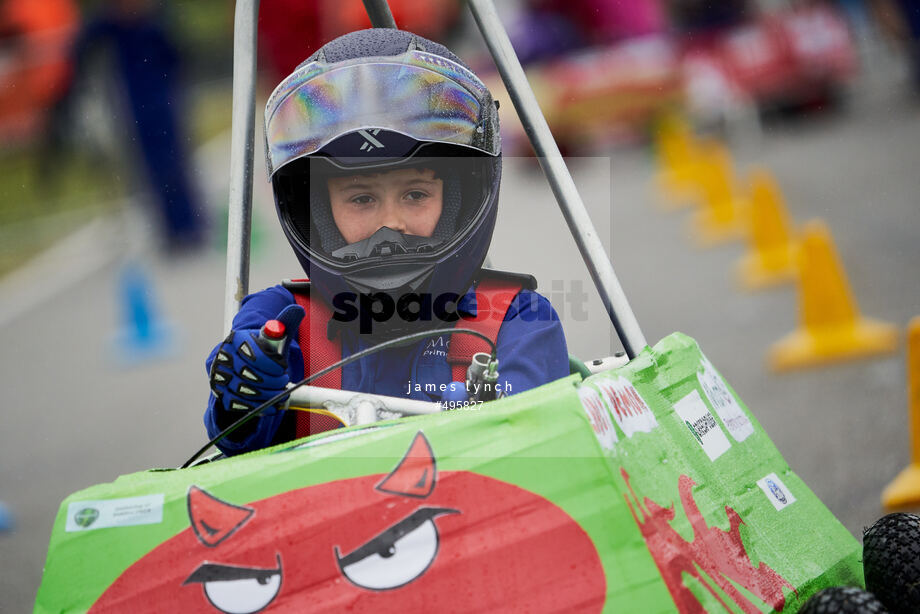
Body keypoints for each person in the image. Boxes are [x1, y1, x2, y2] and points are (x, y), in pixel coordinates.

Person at [205, 28, 569, 455]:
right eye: (362, 199)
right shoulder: (282, 322)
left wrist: (484, 405)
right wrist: (244, 393)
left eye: (415, 195)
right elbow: (232, 441)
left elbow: (532, 431)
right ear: (318, 213)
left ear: (456, 201)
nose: (389, 225)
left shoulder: (518, 320)